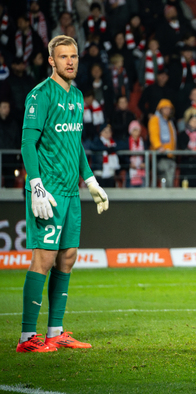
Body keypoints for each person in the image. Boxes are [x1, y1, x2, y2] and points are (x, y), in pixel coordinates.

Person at [17, 35, 109, 353]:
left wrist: (91, 181)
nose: (70, 61)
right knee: (44, 258)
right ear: (51, 61)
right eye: (63, 57)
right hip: (49, 190)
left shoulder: (79, 96)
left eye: (74, 56)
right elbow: (28, 143)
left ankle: (55, 332)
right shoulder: (39, 95)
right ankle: (28, 338)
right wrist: (36, 185)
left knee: (67, 257)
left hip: (71, 191)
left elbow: (75, 143)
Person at [149, 98, 177, 188]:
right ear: (160, 109)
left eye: (169, 108)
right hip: (160, 154)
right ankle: (167, 195)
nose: (167, 110)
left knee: (169, 175)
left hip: (170, 154)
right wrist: (158, 147)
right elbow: (153, 134)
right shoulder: (155, 119)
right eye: (165, 108)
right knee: (165, 174)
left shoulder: (169, 121)